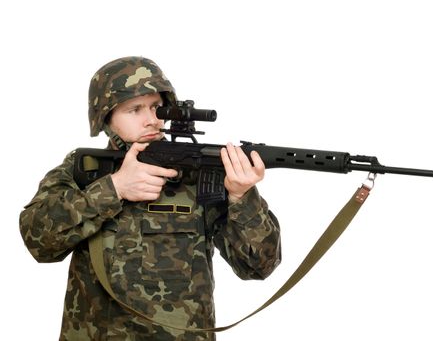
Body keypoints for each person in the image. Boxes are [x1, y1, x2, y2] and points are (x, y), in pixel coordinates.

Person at [19, 56, 282, 340]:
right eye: (135, 110)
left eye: (157, 107)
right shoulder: (87, 170)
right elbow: (39, 241)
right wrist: (115, 189)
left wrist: (242, 197)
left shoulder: (197, 175)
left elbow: (259, 266)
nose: (152, 120)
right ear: (105, 117)